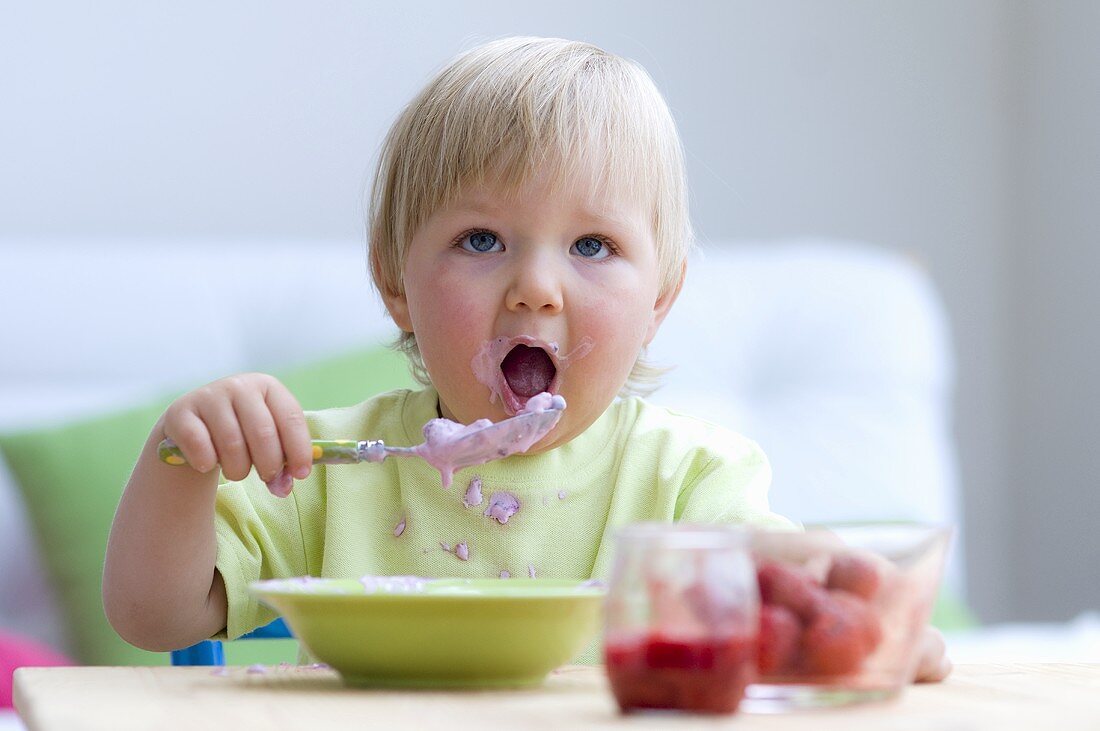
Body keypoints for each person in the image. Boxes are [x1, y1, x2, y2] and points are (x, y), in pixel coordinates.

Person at [102, 36, 948, 680]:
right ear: (394, 281)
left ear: (660, 299)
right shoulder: (322, 469)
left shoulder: (685, 481)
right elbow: (153, 615)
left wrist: (872, 609)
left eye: (592, 243)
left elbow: (777, 580)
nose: (536, 287)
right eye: (482, 239)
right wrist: (185, 461)